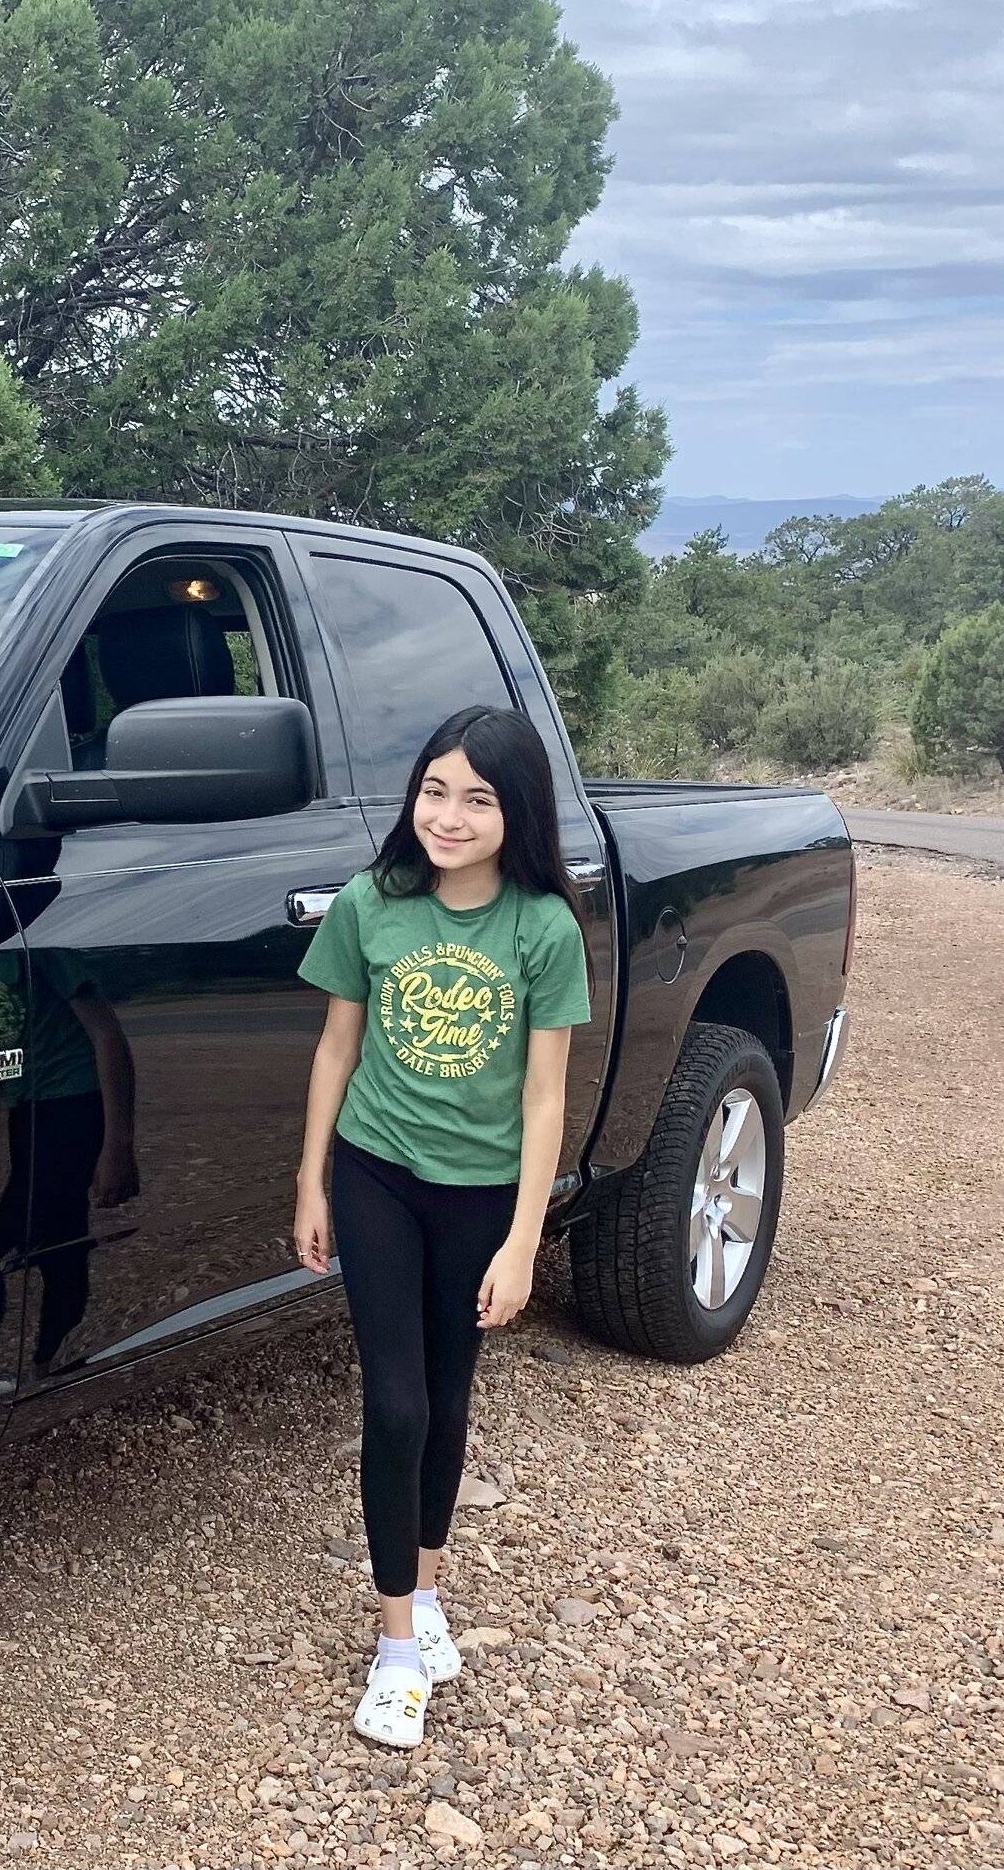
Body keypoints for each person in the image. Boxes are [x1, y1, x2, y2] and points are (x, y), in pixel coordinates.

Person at [291, 704, 592, 1749]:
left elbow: (544, 1099)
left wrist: (524, 1239)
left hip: (480, 1196)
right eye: (434, 789)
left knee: (451, 1395)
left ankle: (425, 1592)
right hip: (377, 1175)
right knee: (398, 1399)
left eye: (478, 797)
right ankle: (397, 1647)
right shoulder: (373, 903)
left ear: (518, 813)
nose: (449, 815)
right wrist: (312, 1181)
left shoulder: (541, 928)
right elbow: (336, 1048)